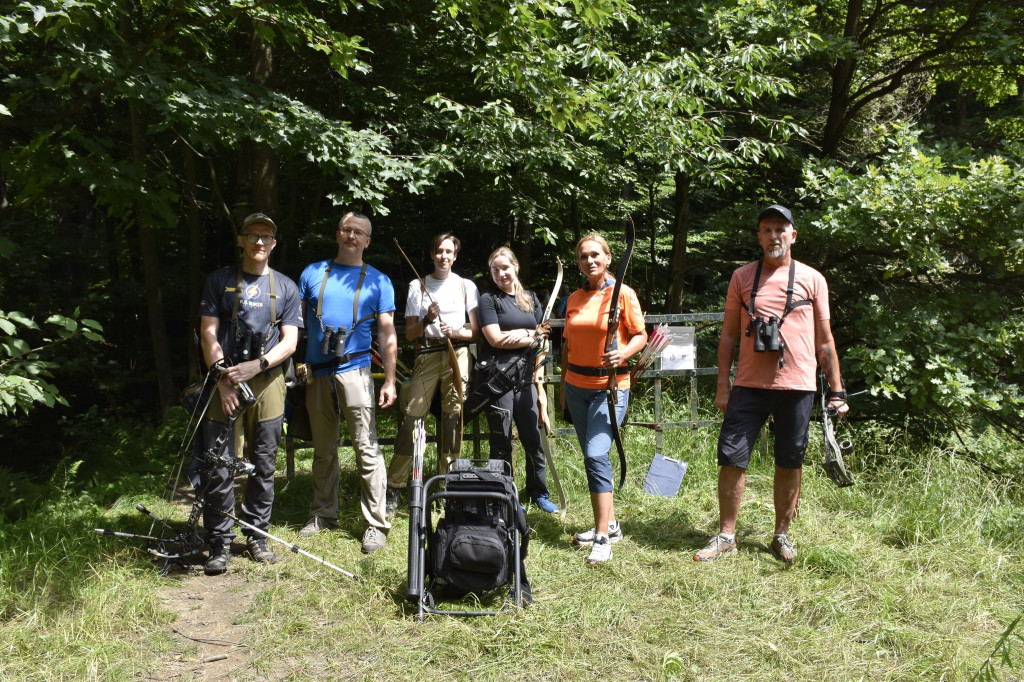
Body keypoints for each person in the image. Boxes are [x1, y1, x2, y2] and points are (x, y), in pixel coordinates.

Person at [694, 204, 849, 564]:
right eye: (766, 229)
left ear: (793, 235)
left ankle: (782, 535)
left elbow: (825, 340)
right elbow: (728, 336)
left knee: (790, 460)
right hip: (748, 385)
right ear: (759, 236)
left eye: (780, 229)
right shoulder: (742, 277)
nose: (773, 236)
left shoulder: (813, 279)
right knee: (731, 457)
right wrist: (722, 385)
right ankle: (726, 535)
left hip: (798, 386)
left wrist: (837, 391)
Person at [197, 212, 302, 575]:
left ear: (274, 243)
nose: (259, 241)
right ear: (240, 240)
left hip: (267, 380)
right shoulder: (219, 280)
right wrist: (222, 378)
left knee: (264, 460)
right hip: (224, 378)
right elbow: (207, 333)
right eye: (253, 235)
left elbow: (290, 341)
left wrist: (258, 365)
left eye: (266, 236)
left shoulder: (286, 287)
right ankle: (219, 541)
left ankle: (257, 534)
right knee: (218, 462)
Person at [296, 211, 398, 554]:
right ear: (337, 234)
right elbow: (293, 324)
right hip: (316, 373)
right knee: (323, 450)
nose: (351, 236)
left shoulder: (379, 281)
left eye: (359, 232)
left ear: (368, 241)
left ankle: (376, 524)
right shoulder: (312, 273)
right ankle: (323, 514)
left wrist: (390, 380)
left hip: (356, 370)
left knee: (367, 448)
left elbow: (387, 334)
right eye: (346, 229)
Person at [561, 233, 647, 565]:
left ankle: (602, 537)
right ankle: (609, 524)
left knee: (597, 455)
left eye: (596, 255)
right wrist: (562, 390)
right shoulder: (573, 298)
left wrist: (623, 354)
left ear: (609, 258)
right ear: (578, 262)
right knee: (591, 456)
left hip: (609, 388)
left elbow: (641, 335)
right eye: (583, 256)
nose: (590, 261)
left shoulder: (623, 294)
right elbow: (567, 345)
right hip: (575, 387)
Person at [384, 233, 478, 518]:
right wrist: (427, 318)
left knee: (453, 418)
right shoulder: (418, 285)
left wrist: (457, 331)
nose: (443, 256)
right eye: (439, 251)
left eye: (449, 251)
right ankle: (395, 486)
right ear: (432, 254)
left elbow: (476, 332)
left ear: (455, 256)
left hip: (457, 353)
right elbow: (410, 334)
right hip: (426, 353)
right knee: (413, 417)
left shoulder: (466, 286)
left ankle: (447, 487)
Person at [476, 246, 558, 513]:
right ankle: (503, 495)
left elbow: (544, 338)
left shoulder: (531, 299)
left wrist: (526, 335)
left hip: (526, 378)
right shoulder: (489, 300)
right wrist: (530, 334)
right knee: (501, 440)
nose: (501, 273)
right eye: (495, 270)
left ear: (516, 267)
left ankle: (538, 492)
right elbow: (495, 339)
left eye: (505, 268)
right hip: (498, 378)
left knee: (533, 438)